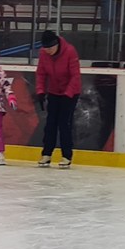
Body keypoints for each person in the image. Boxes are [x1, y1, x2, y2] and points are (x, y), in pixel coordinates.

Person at [35, 29, 81, 168]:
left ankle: (66, 155)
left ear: (56, 44)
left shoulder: (70, 51)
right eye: (45, 48)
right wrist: (40, 91)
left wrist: (68, 94)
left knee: (64, 123)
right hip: (54, 91)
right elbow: (41, 73)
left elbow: (75, 75)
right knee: (50, 124)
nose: (48, 51)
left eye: (50, 48)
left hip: (71, 92)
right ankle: (46, 154)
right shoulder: (43, 53)